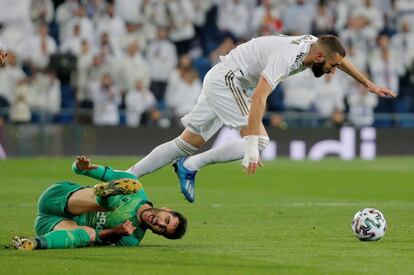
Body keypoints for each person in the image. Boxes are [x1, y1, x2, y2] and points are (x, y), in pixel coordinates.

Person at [127, 34, 397, 203]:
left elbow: (338, 56)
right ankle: (190, 166)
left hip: (224, 78)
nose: (333, 71)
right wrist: (250, 148)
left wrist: (367, 83)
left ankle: (125, 177)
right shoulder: (286, 57)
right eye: (331, 66)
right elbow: (259, 98)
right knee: (261, 142)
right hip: (229, 80)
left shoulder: (314, 46)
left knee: (188, 141)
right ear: (318, 56)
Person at [11, 156, 187, 250]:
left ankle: (33, 243)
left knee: (87, 235)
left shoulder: (131, 238)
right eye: (167, 219)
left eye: (162, 229)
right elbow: (78, 169)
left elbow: (95, 240)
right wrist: (82, 167)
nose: (160, 223)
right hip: (61, 198)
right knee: (110, 202)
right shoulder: (133, 185)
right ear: (166, 209)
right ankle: (103, 196)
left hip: (50, 226)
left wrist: (115, 233)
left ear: (156, 233)